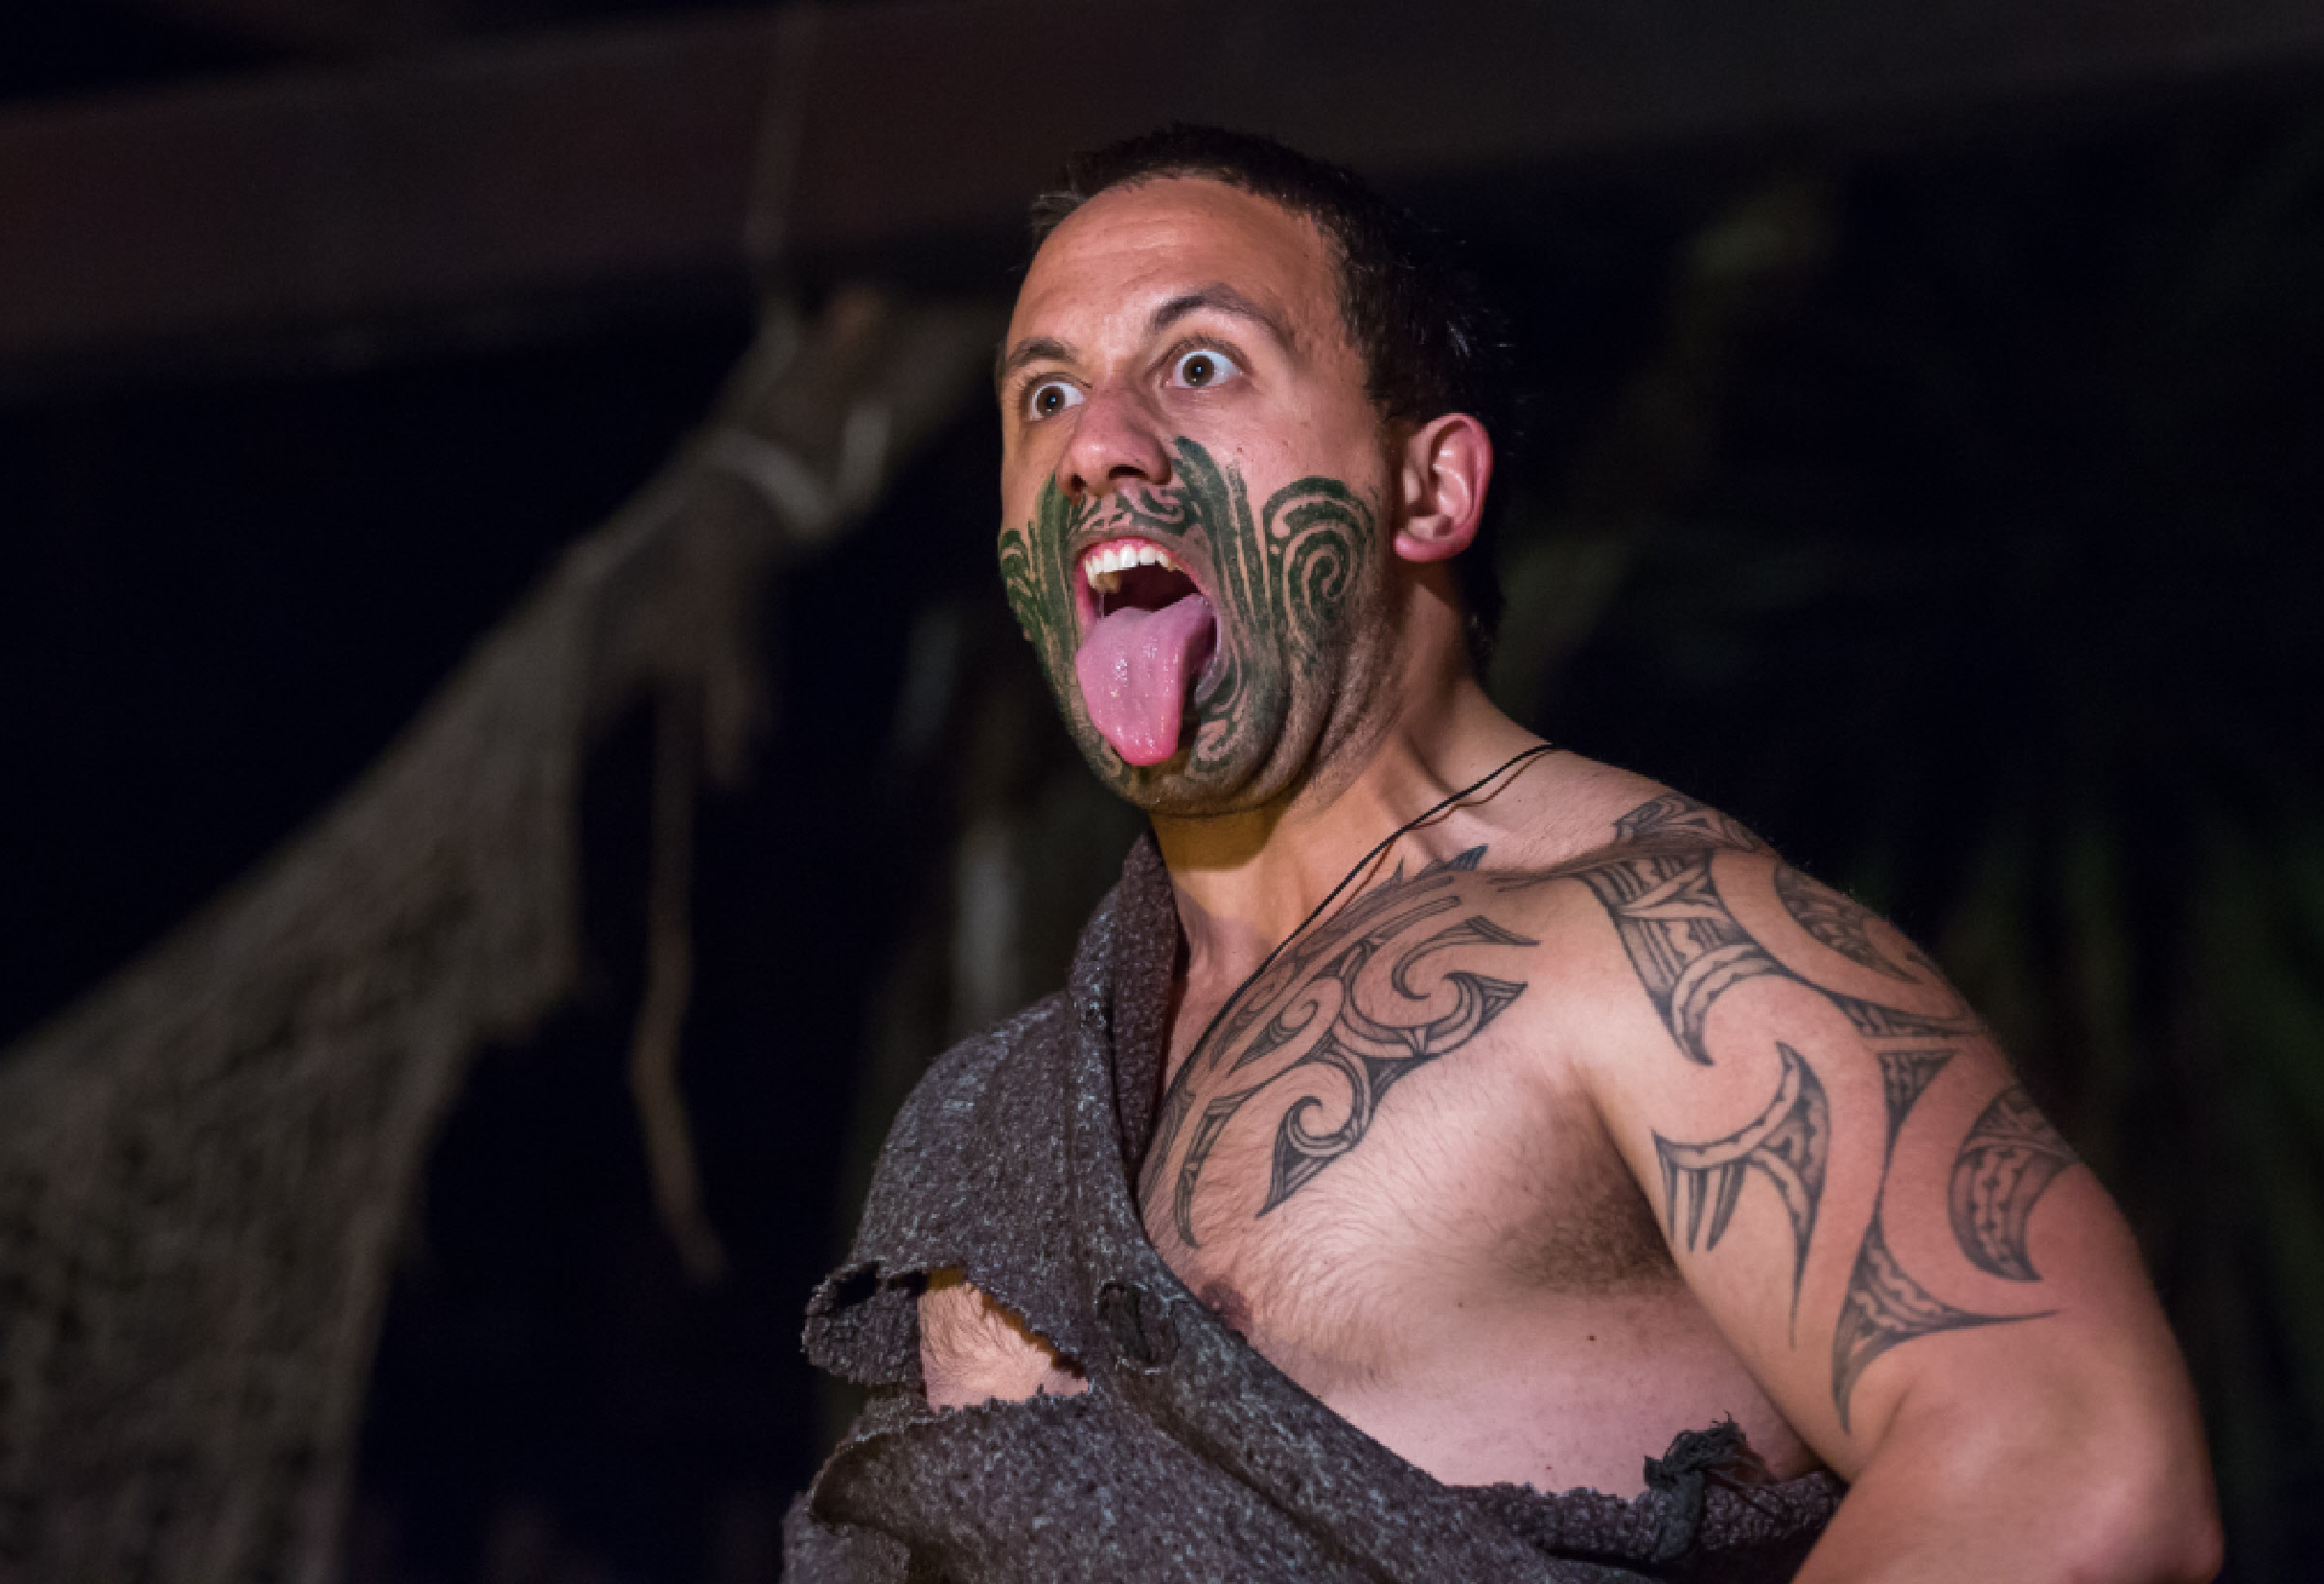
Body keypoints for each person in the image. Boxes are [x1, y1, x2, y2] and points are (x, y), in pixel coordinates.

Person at [784, 126, 2221, 1582]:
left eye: (1199, 365)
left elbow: (2072, 1461)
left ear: (1431, 492)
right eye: (1047, 393)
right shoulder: (1002, 1107)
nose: (1096, 444)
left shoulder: (1661, 943)